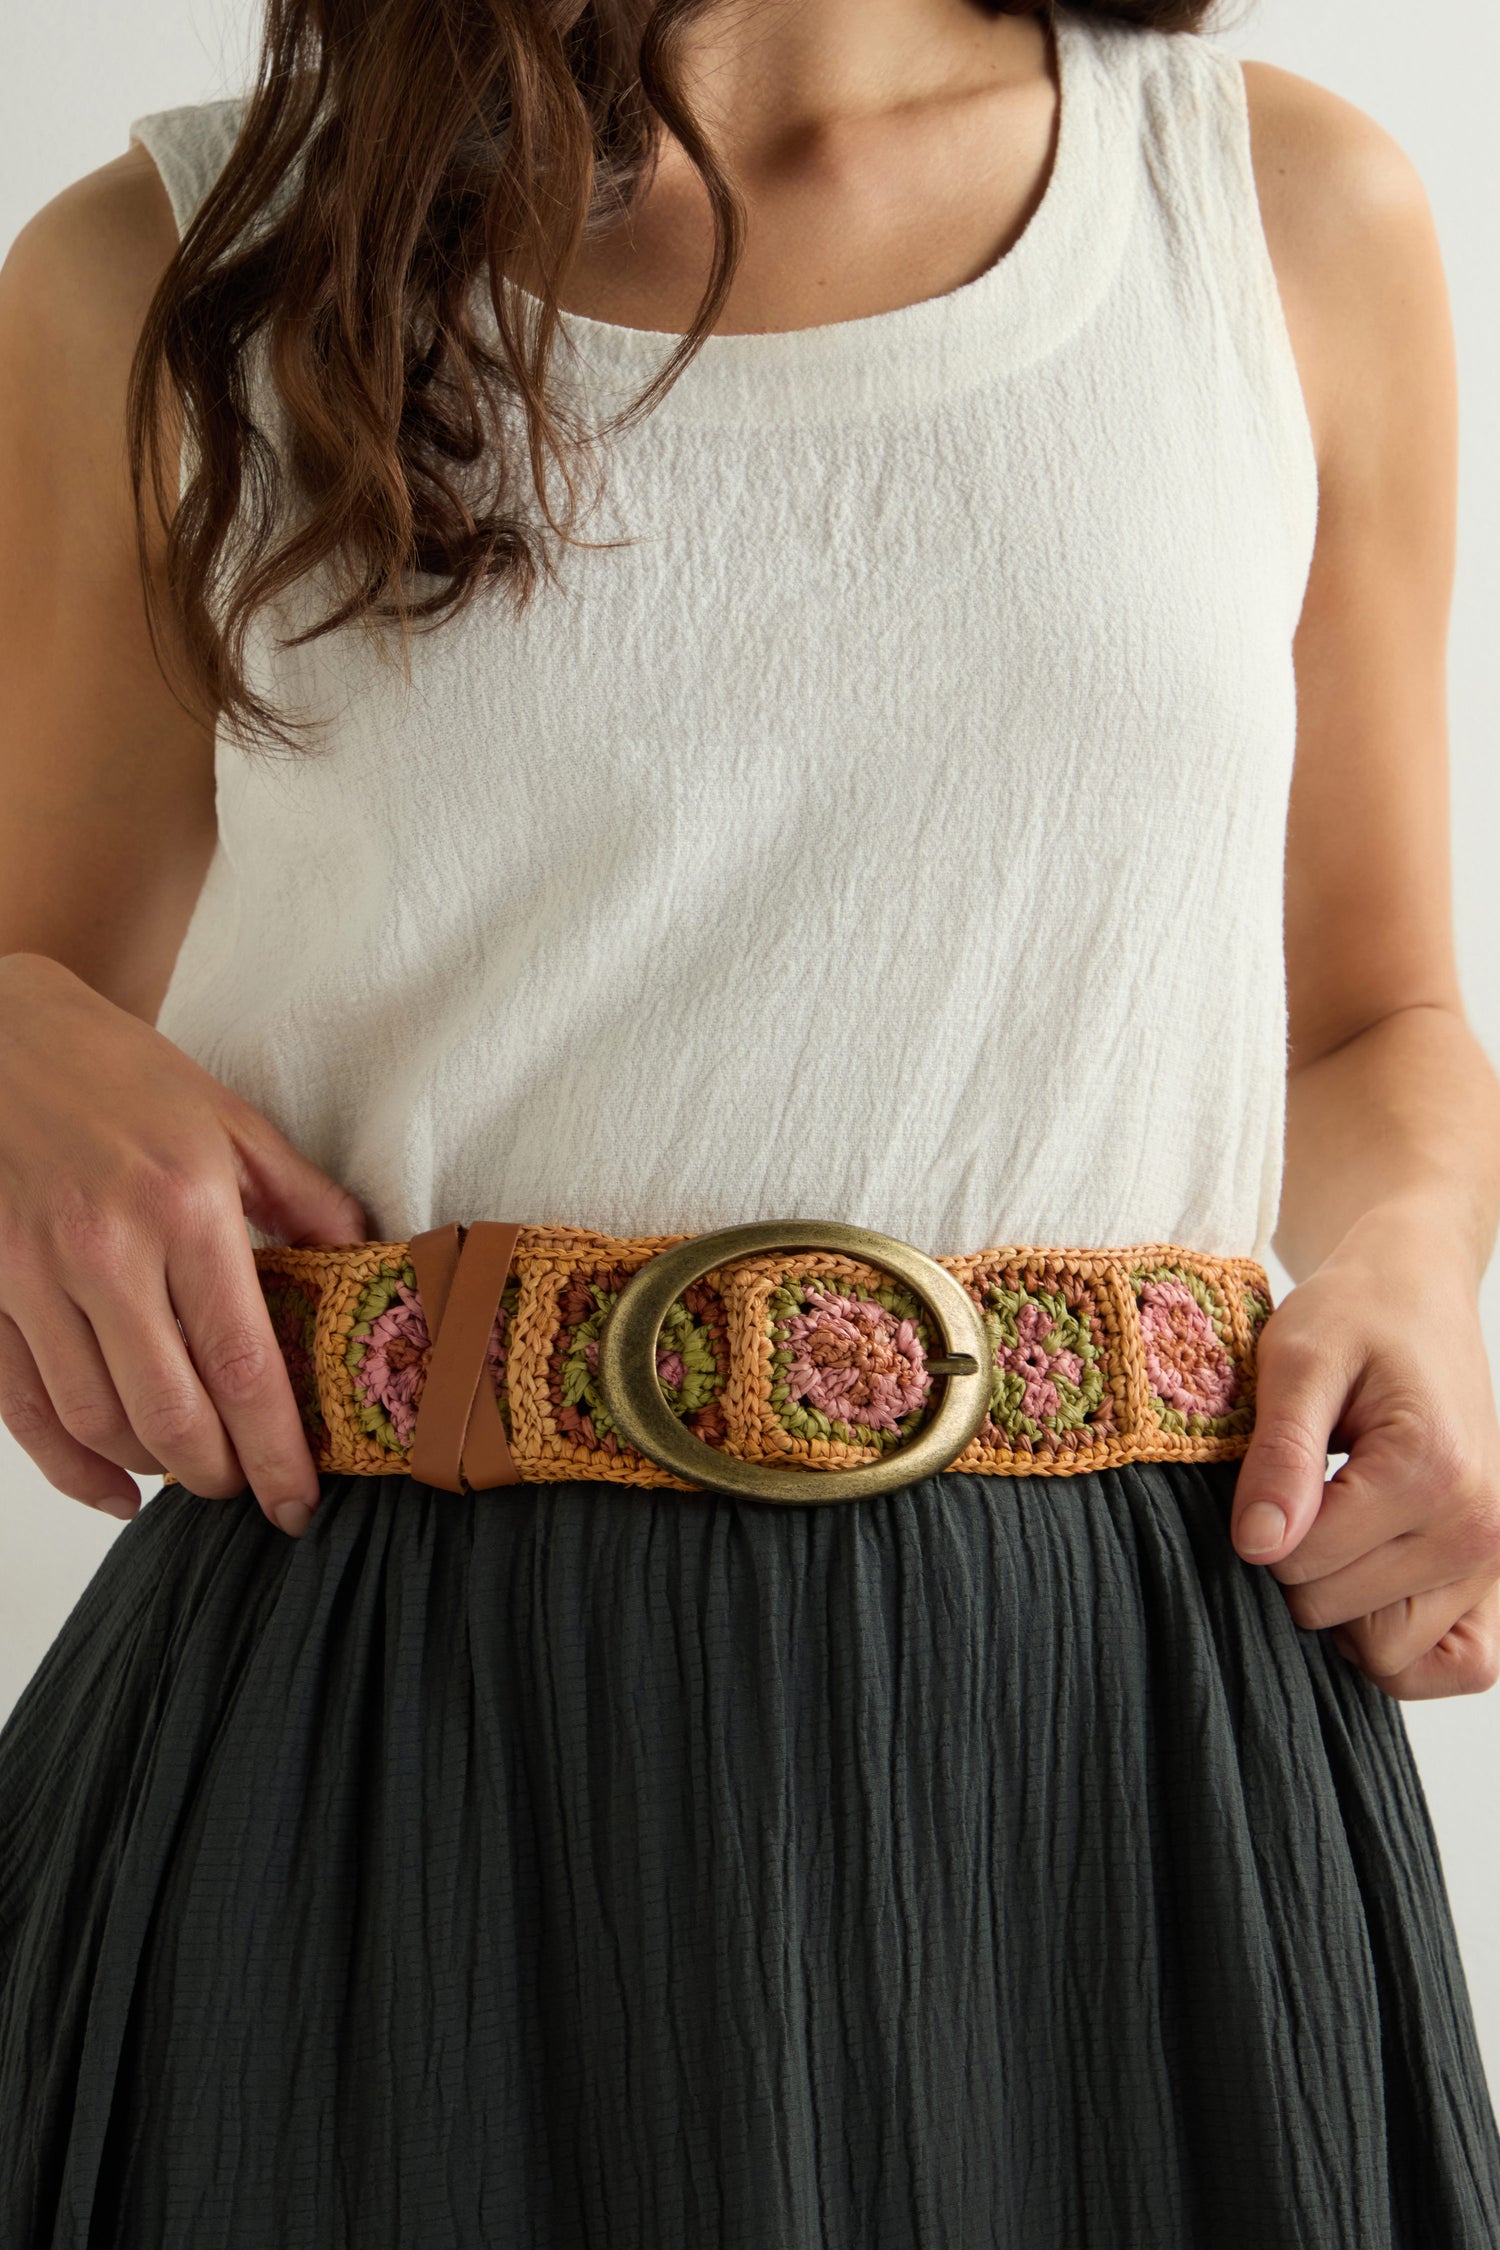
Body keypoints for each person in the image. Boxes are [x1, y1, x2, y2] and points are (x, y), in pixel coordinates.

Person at [2, 0, 1499, 2240]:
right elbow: (34, 974)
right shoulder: (170, 269)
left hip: (1119, 1740)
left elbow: (1372, 1010)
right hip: (378, 1727)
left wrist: (1411, 1286)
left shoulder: (1277, 212)